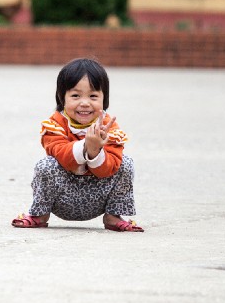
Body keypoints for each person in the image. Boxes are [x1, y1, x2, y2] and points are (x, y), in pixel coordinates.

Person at [11, 58, 144, 232]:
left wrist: (95, 151)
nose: (84, 102)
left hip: (99, 197)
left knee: (125, 163)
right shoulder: (55, 124)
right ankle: (40, 214)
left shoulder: (109, 129)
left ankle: (113, 215)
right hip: (63, 198)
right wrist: (85, 147)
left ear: (104, 99)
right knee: (45, 165)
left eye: (93, 96)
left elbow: (108, 169)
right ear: (62, 97)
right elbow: (60, 153)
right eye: (75, 95)